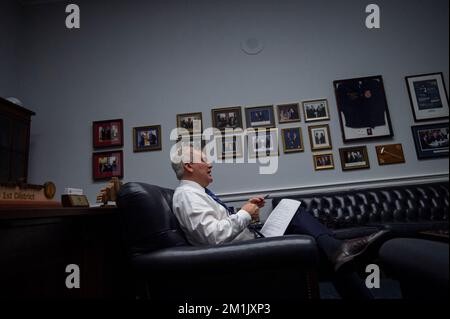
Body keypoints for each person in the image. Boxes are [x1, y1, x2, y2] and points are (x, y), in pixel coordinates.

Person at [170, 145, 388, 299]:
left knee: (289, 206)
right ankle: (338, 249)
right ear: (189, 166)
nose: (210, 164)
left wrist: (246, 213)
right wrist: (244, 214)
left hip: (251, 243)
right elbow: (213, 237)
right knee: (330, 257)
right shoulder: (187, 195)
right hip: (243, 254)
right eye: (204, 160)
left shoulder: (198, 193)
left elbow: (218, 225)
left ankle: (338, 250)